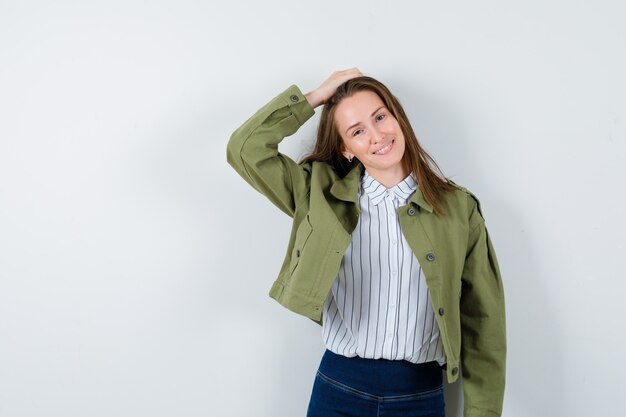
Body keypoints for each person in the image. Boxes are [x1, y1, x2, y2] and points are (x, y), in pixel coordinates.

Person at [226, 68, 506, 417]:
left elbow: (484, 321)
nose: (377, 136)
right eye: (357, 131)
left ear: (397, 117)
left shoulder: (459, 209)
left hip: (419, 397)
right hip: (338, 390)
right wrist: (316, 96)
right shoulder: (319, 194)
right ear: (345, 148)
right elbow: (244, 149)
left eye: (380, 117)